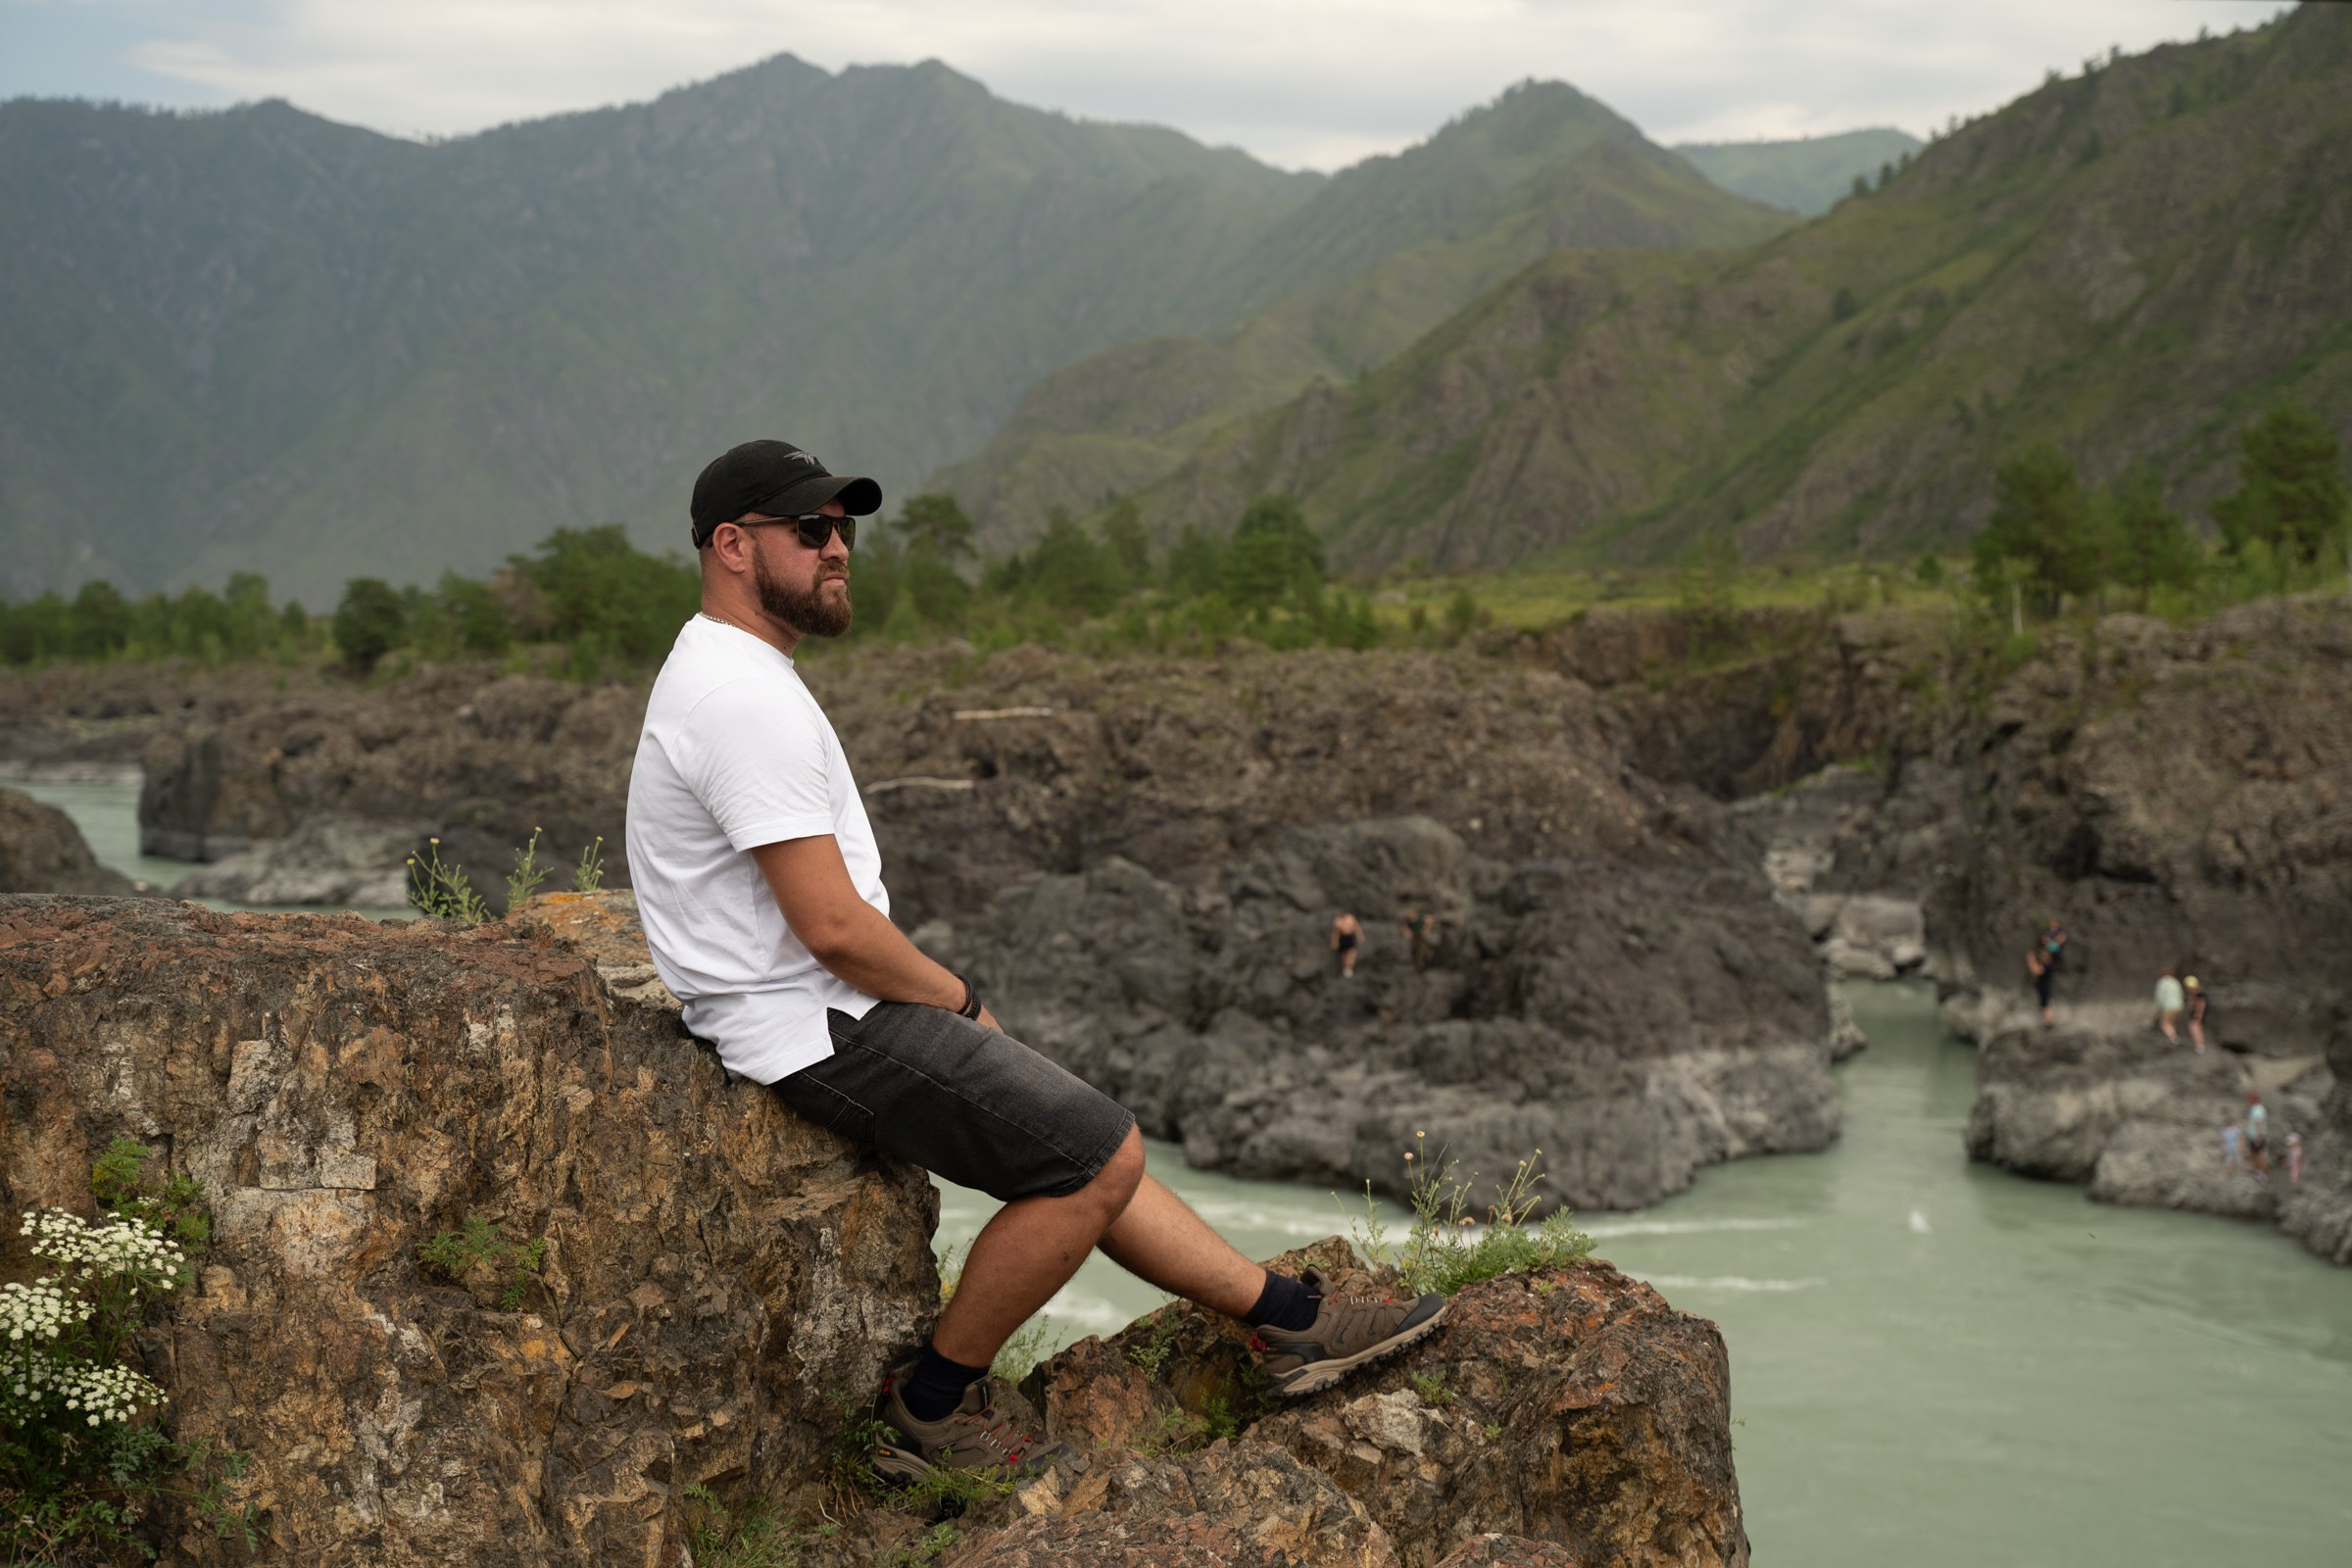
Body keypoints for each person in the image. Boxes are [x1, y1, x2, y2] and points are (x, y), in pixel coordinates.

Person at [625, 439, 1449, 1486]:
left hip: (811, 1002)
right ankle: (931, 1408)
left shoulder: (731, 670)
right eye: (813, 530)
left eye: (844, 529)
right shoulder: (739, 696)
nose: (840, 550)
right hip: (811, 1018)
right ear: (733, 546)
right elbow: (831, 927)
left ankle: (1290, 1322)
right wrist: (962, 1000)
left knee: (1092, 1140)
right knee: (1094, 1156)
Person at [2153, 968, 2184, 1046]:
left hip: (2168, 1006)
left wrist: (2159, 1007)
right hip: (2179, 1005)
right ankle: (2172, 1037)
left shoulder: (2162, 982)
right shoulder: (2175, 981)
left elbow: (2159, 996)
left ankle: (2173, 1039)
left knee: (2164, 1023)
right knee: (2171, 1022)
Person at [1329, 910, 1363, 978]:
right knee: (1344, 953)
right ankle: (1345, 967)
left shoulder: (1350, 918)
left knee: (1352, 952)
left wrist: (1360, 936)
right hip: (1342, 937)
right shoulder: (1338, 920)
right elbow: (1336, 932)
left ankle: (1349, 967)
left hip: (1350, 936)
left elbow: (1356, 927)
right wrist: (1335, 942)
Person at [1401, 906, 1436, 972]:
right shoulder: (1408, 921)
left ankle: (1423, 966)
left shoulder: (1420, 919)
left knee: (1423, 951)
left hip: (1422, 937)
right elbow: (1404, 927)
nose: (1410, 917)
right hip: (1415, 937)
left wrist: (1426, 929)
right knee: (1415, 951)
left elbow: (1429, 920)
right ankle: (1417, 967)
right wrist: (1407, 933)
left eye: (1411, 915)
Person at [2027, 949, 2054, 1027]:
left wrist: (2031, 959)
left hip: (2044, 988)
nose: (2041, 959)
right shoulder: (2047, 965)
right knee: (2044, 1005)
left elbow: (2035, 971)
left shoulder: (2047, 966)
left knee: (2045, 1006)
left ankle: (2049, 1023)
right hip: (2043, 988)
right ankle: (2048, 1022)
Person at [2244, 1093, 2269, 1181]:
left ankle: (2263, 1174)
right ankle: (2257, 1171)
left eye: (2249, 1099)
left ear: (2253, 1100)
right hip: (2252, 1136)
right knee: (2252, 1154)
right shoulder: (2254, 1108)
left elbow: (2259, 1123)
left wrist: (2258, 1137)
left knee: (2257, 1155)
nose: (2247, 1101)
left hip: (2256, 1136)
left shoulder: (2257, 1110)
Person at [2183, 976, 2209, 1054]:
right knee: (2194, 1027)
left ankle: (2200, 1046)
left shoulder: (2200, 994)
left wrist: (2198, 1014)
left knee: (2195, 1027)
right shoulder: (2193, 994)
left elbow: (2201, 1004)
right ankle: (2198, 1045)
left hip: (2197, 1014)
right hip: (2194, 1013)